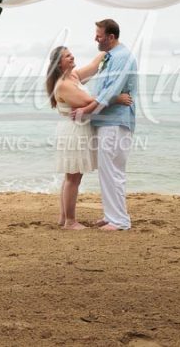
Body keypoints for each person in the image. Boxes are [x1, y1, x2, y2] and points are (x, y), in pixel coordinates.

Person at [46, 45, 132, 230]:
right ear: (59, 64)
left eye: (71, 53)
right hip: (74, 132)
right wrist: (116, 98)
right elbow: (89, 103)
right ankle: (70, 221)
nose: (71, 57)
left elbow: (94, 65)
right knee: (73, 178)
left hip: (78, 129)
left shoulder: (74, 76)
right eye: (67, 56)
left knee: (71, 175)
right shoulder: (64, 84)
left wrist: (110, 48)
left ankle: (63, 218)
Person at [71, 19, 137, 231]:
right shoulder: (110, 57)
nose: (95, 38)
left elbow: (110, 91)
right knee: (107, 171)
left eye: (99, 35)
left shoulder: (122, 57)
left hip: (115, 121)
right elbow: (104, 89)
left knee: (113, 171)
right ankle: (111, 216)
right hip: (107, 121)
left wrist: (85, 110)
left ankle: (120, 221)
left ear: (111, 37)